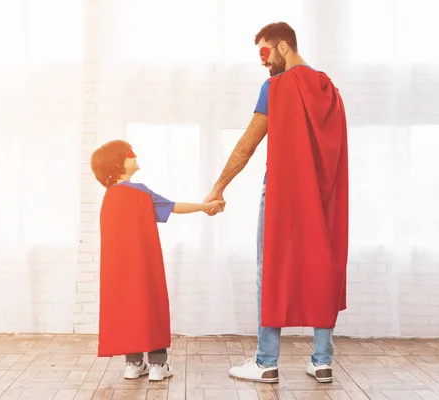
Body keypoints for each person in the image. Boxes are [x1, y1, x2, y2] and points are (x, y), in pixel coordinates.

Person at [203, 22, 349, 384]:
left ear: (283, 47)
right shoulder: (329, 89)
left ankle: (266, 361)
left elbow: (248, 144)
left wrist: (218, 186)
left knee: (268, 271)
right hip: (324, 196)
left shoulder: (276, 87)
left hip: (284, 193)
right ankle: (322, 361)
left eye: (265, 53)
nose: (263, 63)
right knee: (321, 267)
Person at [91, 140, 225, 381]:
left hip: (117, 271)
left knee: (127, 306)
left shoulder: (108, 197)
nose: (135, 156)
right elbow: (174, 207)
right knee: (151, 305)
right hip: (144, 266)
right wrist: (206, 206)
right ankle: (157, 366)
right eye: (130, 154)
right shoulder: (139, 192)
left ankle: (133, 363)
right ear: (118, 163)